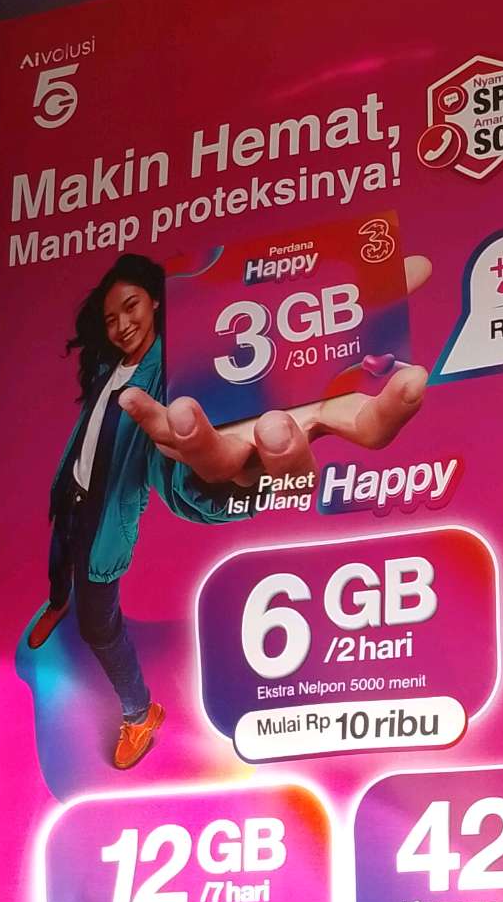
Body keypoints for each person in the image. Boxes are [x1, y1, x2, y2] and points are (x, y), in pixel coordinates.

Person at [28, 251, 428, 768]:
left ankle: (138, 712)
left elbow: (182, 475)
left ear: (155, 302)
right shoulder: (109, 366)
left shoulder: (171, 376)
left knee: (97, 626)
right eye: (111, 318)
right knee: (58, 563)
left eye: (131, 307)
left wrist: (241, 487)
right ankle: (57, 600)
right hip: (70, 499)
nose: (122, 324)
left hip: (104, 524)